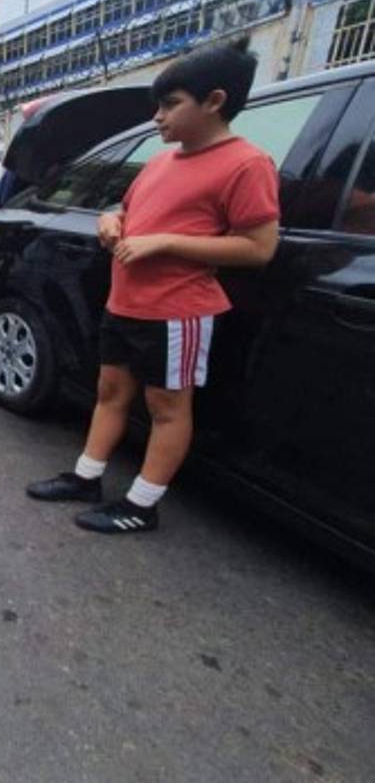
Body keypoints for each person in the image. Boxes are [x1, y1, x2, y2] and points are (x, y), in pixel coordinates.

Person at [27, 38, 280, 534]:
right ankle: (87, 476)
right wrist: (111, 218)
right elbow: (130, 208)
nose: (158, 117)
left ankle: (142, 505)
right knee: (110, 390)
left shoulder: (248, 164)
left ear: (215, 102)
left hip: (177, 310)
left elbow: (258, 247)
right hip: (127, 301)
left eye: (170, 105)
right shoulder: (162, 160)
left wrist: (165, 243)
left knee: (166, 407)